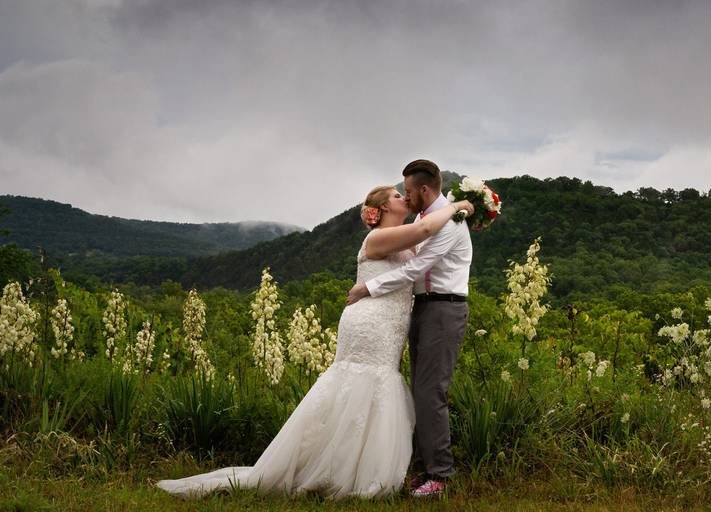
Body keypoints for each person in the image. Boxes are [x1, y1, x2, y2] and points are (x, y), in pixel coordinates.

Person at [156, 185, 473, 499]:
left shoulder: (406, 239)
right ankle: (338, 470)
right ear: (383, 209)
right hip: (369, 323)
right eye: (395, 195)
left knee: (376, 390)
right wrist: (461, 206)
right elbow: (427, 227)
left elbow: (430, 244)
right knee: (357, 385)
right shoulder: (376, 238)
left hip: (392, 326)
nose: (403, 197)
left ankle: (356, 468)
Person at [347, 159, 473, 498]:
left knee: (430, 393)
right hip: (423, 309)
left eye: (408, 191)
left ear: (424, 190)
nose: (406, 195)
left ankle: (440, 476)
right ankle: (427, 468)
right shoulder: (425, 218)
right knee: (420, 391)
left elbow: (414, 268)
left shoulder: (450, 223)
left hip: (444, 309)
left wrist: (367, 288)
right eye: (399, 192)